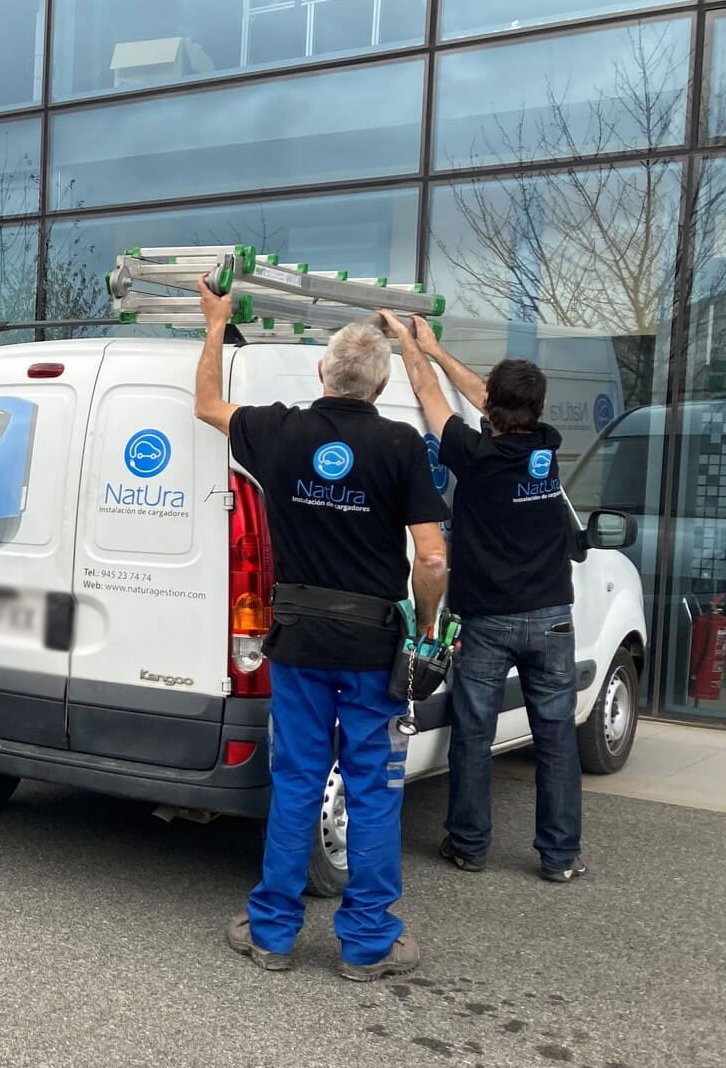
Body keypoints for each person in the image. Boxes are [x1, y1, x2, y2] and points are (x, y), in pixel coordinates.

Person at [192, 282, 449, 982]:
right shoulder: (400, 446)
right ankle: (366, 945)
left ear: (320, 374)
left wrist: (216, 325)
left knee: (298, 781)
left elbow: (207, 406)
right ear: (383, 381)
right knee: (371, 789)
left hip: (298, 642)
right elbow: (431, 556)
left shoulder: (280, 430)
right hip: (371, 650)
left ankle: (271, 933)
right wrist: (426, 629)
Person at [385, 314, 589, 884]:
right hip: (551, 617)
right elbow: (490, 398)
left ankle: (469, 846)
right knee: (556, 739)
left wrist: (411, 345)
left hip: (488, 620)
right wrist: (441, 349)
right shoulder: (544, 448)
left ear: (493, 410)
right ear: (537, 411)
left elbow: (430, 395)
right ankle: (560, 857)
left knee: (473, 734)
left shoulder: (474, 458)